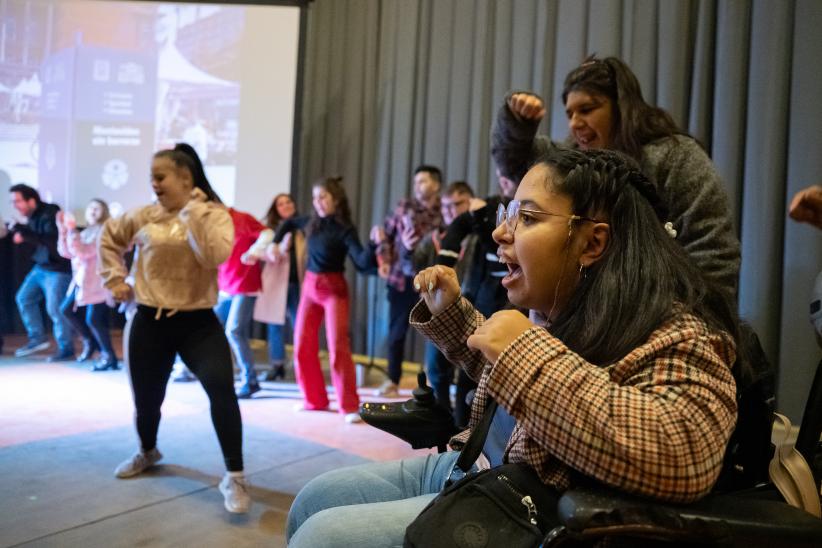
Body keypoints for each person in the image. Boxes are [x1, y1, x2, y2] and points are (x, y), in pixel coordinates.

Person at [286, 148, 740, 546]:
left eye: (527, 217)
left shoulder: (682, 333)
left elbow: (685, 454)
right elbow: (525, 393)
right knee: (312, 500)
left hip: (524, 504)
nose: (501, 234)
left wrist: (524, 353)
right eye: (509, 214)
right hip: (477, 466)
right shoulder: (564, 307)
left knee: (322, 538)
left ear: (593, 242)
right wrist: (455, 318)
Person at [492, 55, 741, 299]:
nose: (575, 123)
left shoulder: (677, 157)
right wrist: (516, 123)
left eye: (587, 109)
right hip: (585, 320)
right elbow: (513, 163)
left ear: (622, 107)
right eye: (570, 114)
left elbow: (714, 255)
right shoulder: (572, 162)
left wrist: (680, 311)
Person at [98, 143, 251, 514]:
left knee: (221, 389)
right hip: (149, 320)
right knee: (147, 401)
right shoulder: (145, 215)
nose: (153, 183)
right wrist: (115, 278)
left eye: (160, 176)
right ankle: (147, 451)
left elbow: (214, 256)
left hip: (197, 322)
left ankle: (235, 476)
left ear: (185, 178)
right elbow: (109, 238)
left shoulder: (213, 215)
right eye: (152, 177)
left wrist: (192, 213)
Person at [275, 176, 376, 423]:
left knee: (338, 345)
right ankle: (314, 400)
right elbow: (288, 224)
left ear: (336, 199)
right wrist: (275, 242)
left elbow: (363, 264)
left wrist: (375, 245)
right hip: (310, 287)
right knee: (302, 344)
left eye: (323, 197)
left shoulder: (345, 229)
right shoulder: (311, 223)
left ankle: (349, 406)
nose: (318, 203)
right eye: (315, 198)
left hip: (334, 289)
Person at [409, 181, 478, 427]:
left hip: (474, 310)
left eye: (456, 204)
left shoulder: (480, 236)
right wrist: (409, 250)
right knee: (437, 370)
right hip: (440, 311)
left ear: (471, 202)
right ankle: (442, 420)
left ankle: (463, 424)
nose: (449, 210)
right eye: (446, 205)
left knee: (469, 375)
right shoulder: (436, 237)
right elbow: (416, 263)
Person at [372, 165, 443, 397]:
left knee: (437, 334)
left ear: (435, 184)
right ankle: (393, 380)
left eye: (422, 181)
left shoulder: (444, 211)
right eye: (416, 182)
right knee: (396, 334)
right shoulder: (405, 206)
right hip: (401, 280)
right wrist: (384, 259)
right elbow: (387, 236)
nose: (417, 186)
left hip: (432, 282)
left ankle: (435, 383)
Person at [8, 183, 74, 360]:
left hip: (58, 269)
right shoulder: (33, 216)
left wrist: (24, 233)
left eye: (18, 201)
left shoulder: (50, 213)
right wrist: (22, 230)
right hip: (41, 268)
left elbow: (51, 241)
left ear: (31, 200)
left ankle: (66, 348)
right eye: (13, 202)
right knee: (24, 298)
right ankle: (37, 338)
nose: (15, 206)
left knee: (55, 309)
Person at [245, 193, 304, 382]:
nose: (286, 205)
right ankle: (277, 366)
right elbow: (261, 252)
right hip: (276, 282)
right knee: (274, 326)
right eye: (281, 204)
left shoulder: (303, 227)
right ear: (275, 209)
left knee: (300, 326)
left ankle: (302, 364)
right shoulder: (270, 230)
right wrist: (275, 251)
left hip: (298, 283)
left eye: (288, 202)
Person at [56, 199, 118, 371]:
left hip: (99, 282)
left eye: (97, 208)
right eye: (90, 207)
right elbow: (67, 252)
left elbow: (84, 251)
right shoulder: (87, 231)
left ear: (104, 212)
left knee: (95, 319)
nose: (92, 211)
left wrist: (72, 230)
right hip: (82, 281)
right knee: (66, 309)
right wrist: (64, 230)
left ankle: (108, 356)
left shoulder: (105, 231)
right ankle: (91, 343)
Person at [215, 206, 268, 398]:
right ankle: (210, 372)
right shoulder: (212, 223)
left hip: (245, 284)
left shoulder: (242, 219)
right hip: (225, 285)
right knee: (208, 326)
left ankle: (250, 380)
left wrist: (255, 251)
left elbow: (267, 233)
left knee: (234, 330)